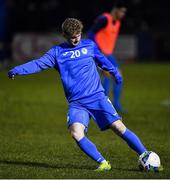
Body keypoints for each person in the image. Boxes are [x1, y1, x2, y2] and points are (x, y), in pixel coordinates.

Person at [8, 18, 154, 171]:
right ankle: (103, 163)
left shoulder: (89, 45)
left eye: (78, 35)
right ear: (64, 35)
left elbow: (102, 60)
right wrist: (18, 70)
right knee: (76, 133)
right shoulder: (57, 53)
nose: (76, 39)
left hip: (97, 98)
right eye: (72, 36)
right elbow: (37, 64)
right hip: (77, 104)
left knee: (118, 127)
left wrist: (115, 72)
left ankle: (145, 154)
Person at [88, 0, 127, 112]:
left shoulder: (117, 22)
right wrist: (98, 51)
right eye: (122, 12)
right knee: (107, 76)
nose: (123, 14)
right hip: (100, 54)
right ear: (115, 10)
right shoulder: (105, 19)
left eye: (124, 12)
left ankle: (115, 104)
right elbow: (91, 33)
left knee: (118, 77)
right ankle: (103, 106)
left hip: (109, 54)